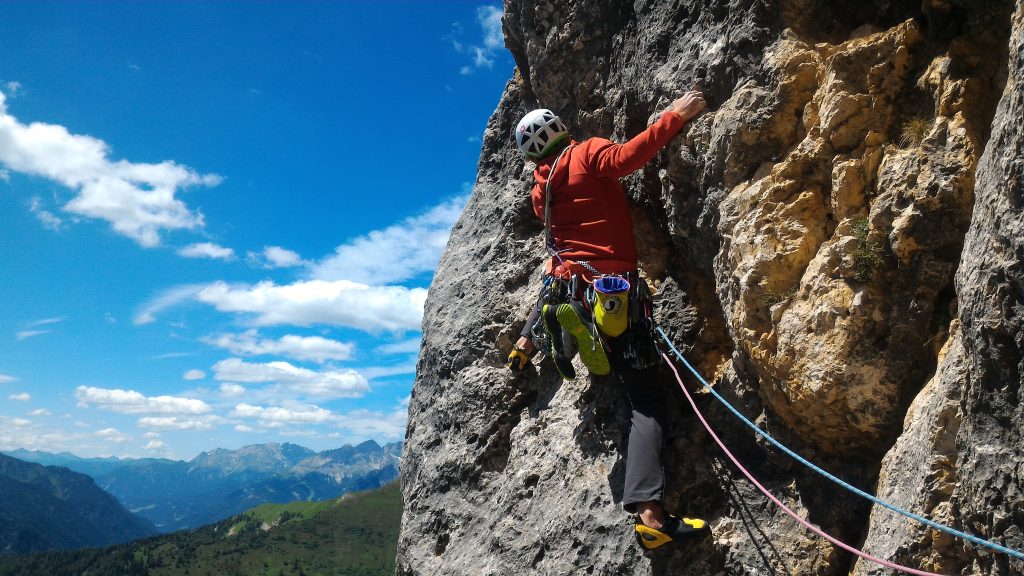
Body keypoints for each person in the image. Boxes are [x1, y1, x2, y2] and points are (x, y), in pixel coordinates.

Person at [506, 92, 709, 551]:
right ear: (559, 129)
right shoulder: (587, 152)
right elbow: (627, 157)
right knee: (646, 401)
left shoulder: (543, 192)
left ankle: (550, 341)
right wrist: (675, 115)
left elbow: (559, 250)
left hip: (569, 287)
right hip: (613, 284)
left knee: (558, 279)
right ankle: (650, 517)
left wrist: (526, 340)